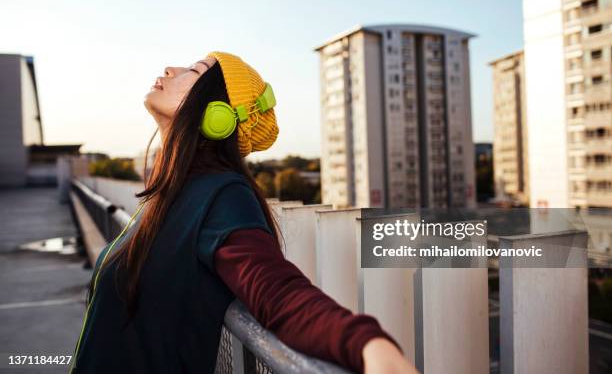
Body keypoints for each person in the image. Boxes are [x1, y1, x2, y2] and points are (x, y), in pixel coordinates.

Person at [70, 52, 417, 374]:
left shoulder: (223, 195)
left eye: (193, 71)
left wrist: (368, 345)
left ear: (218, 115)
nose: (170, 70)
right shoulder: (168, 194)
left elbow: (277, 292)